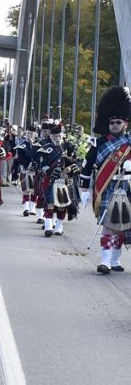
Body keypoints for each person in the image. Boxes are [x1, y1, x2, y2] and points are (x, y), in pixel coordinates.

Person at [81, 86, 131, 273]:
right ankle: (105, 261)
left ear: (125, 123)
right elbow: (87, 165)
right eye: (112, 123)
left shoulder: (129, 142)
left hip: (127, 187)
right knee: (109, 224)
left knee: (122, 226)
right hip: (107, 188)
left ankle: (115, 260)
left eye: (118, 122)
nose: (115, 125)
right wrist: (84, 190)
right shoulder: (99, 143)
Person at [34, 121, 79, 237]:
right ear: (50, 136)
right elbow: (41, 166)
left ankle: (59, 226)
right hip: (50, 179)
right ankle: (48, 227)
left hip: (65, 180)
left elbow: (77, 163)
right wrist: (53, 171)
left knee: (62, 205)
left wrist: (69, 170)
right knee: (50, 204)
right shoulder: (45, 148)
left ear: (63, 135)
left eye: (59, 136)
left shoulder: (69, 147)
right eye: (55, 136)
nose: (57, 138)